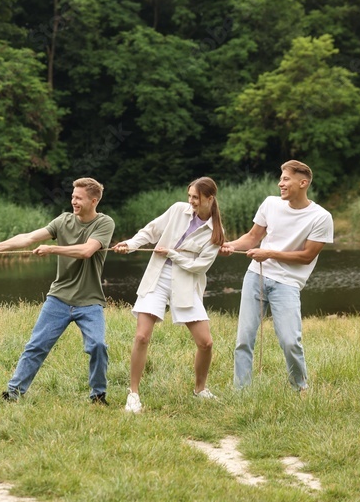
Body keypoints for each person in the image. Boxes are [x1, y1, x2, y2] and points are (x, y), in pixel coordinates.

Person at [0, 178, 114, 404]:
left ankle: (98, 396)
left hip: (90, 301)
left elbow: (87, 250)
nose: (73, 201)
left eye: (78, 198)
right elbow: (29, 238)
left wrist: (52, 248)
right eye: (72, 196)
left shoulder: (104, 223)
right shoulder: (63, 220)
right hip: (59, 298)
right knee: (36, 345)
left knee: (98, 345)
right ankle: (13, 393)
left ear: (94, 200)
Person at [112, 177, 225, 414]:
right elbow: (151, 230)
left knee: (206, 343)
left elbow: (200, 267)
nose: (191, 201)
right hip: (158, 277)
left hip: (186, 283)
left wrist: (173, 254)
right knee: (142, 336)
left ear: (209, 199)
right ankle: (133, 394)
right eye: (190, 196)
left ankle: (200, 390)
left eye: (196, 197)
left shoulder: (216, 231)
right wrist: (130, 244)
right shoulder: (177, 210)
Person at [221, 160, 334, 391]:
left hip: (288, 283)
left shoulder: (321, 217)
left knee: (290, 341)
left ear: (303, 183)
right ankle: (241, 392)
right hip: (256, 276)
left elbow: (307, 256)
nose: (279, 183)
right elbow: (252, 238)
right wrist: (231, 245)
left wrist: (269, 253)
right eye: (280, 178)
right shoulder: (270, 204)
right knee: (244, 339)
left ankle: (300, 388)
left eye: (285, 179)